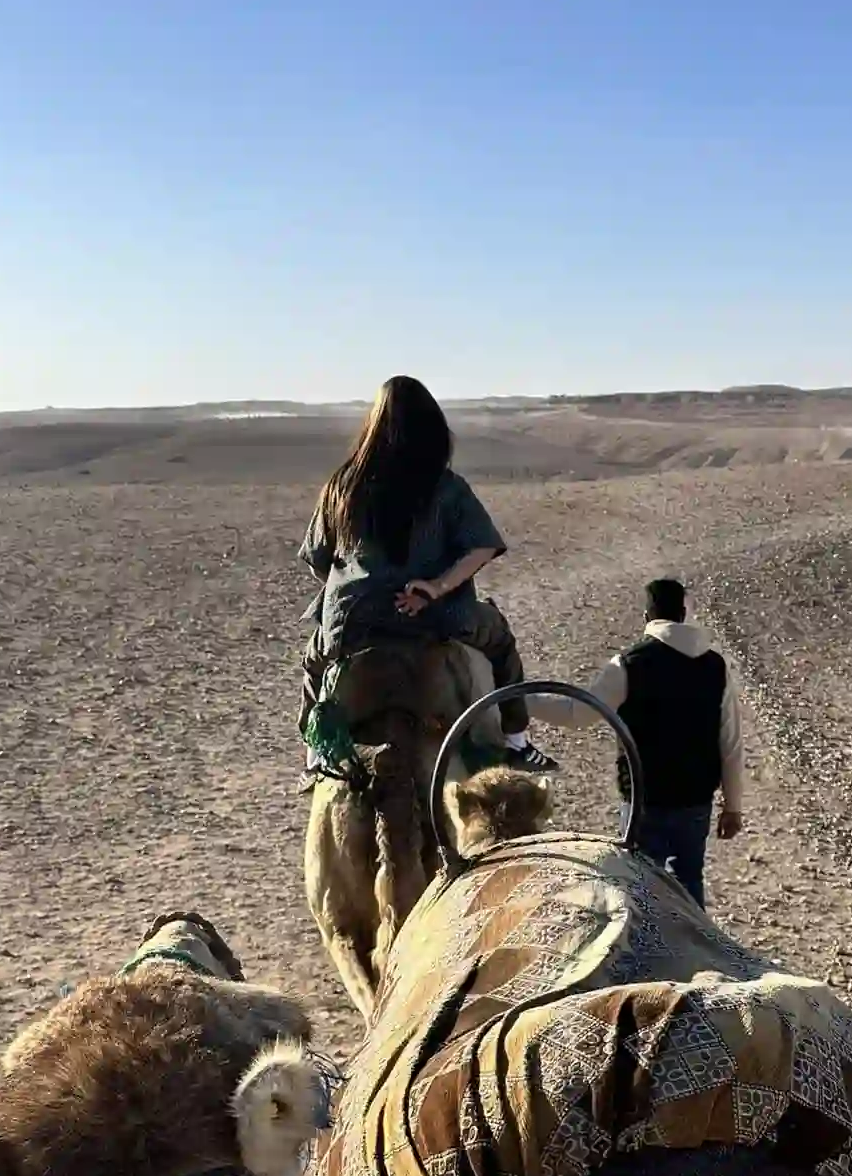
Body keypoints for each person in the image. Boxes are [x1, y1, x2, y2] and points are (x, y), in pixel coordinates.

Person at [298, 376, 556, 779]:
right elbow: (482, 547)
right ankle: (516, 740)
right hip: (436, 615)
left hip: (357, 623)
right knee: (500, 640)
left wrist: (353, 595)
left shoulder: (341, 487)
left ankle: (316, 753)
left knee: (315, 662)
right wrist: (436, 588)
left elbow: (318, 560)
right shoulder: (446, 486)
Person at [527, 578, 744, 909]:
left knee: (641, 887)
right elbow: (730, 740)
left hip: (645, 799)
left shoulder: (630, 664)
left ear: (647, 616)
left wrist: (522, 700)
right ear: (683, 613)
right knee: (689, 882)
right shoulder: (716, 666)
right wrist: (733, 805)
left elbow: (578, 714)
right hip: (696, 800)